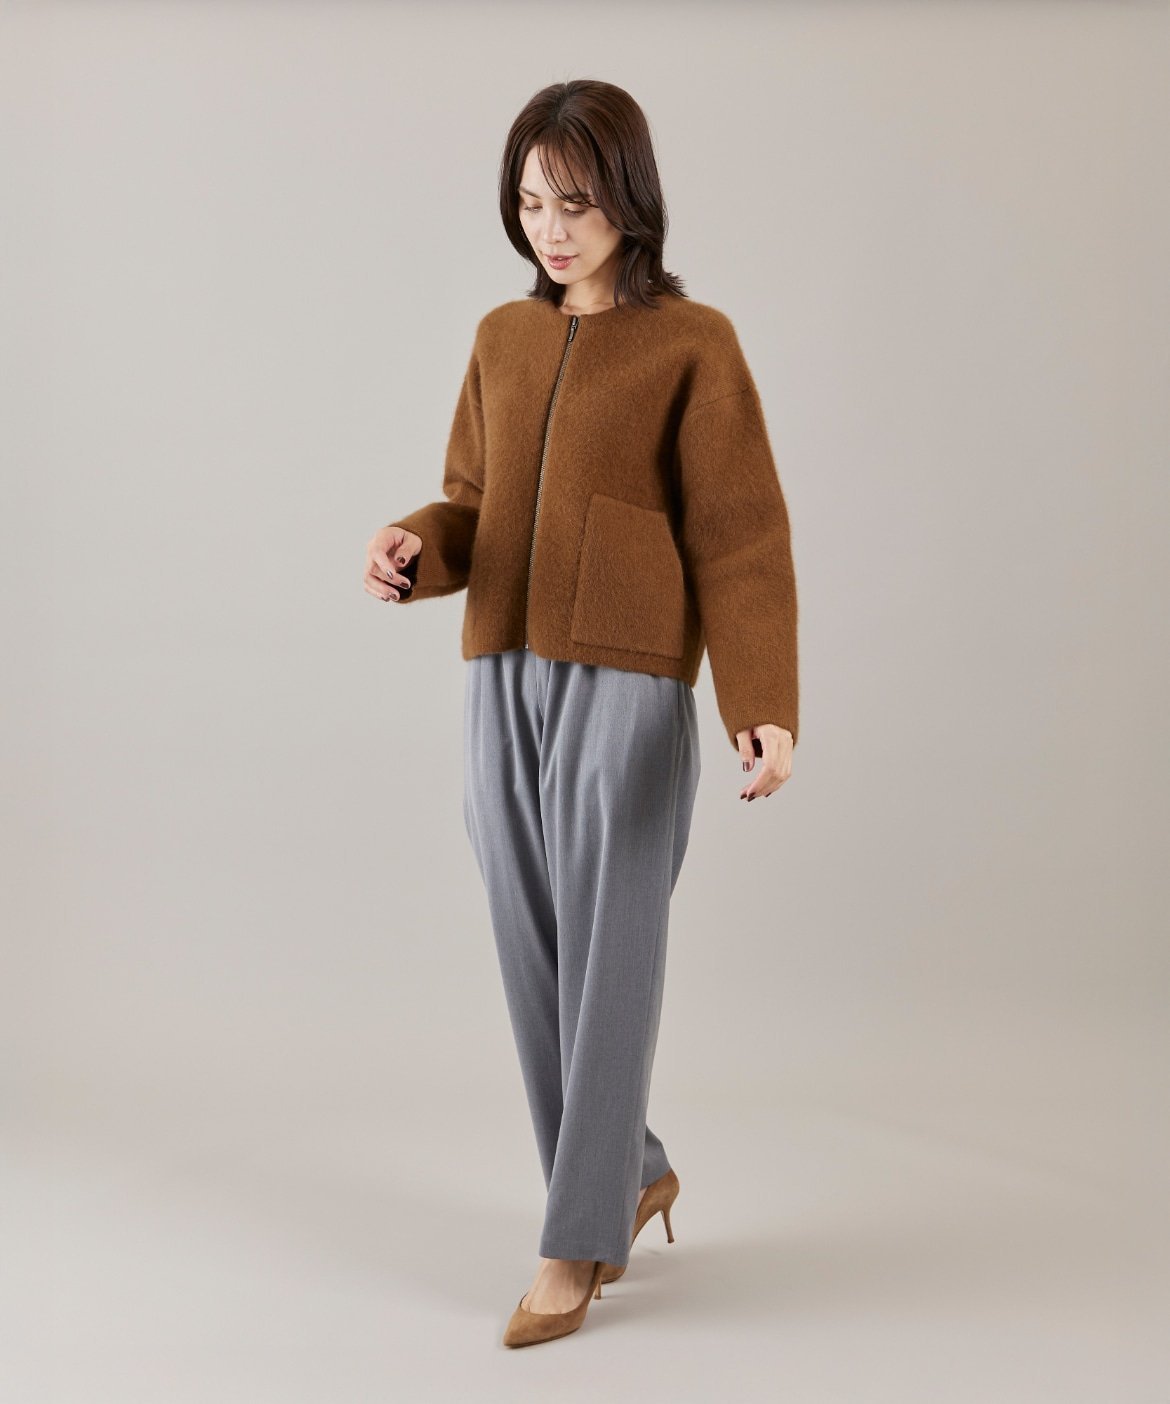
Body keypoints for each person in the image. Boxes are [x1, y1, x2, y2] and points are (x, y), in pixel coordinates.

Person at [363, 79, 799, 1348]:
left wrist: (761, 702)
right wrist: (416, 547)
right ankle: (629, 1170)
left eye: (576, 202)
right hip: (501, 669)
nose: (551, 228)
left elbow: (740, 534)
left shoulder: (693, 344)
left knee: (612, 954)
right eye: (531, 202)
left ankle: (575, 1239)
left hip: (631, 675)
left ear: (629, 200)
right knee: (532, 948)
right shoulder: (502, 337)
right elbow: (472, 503)